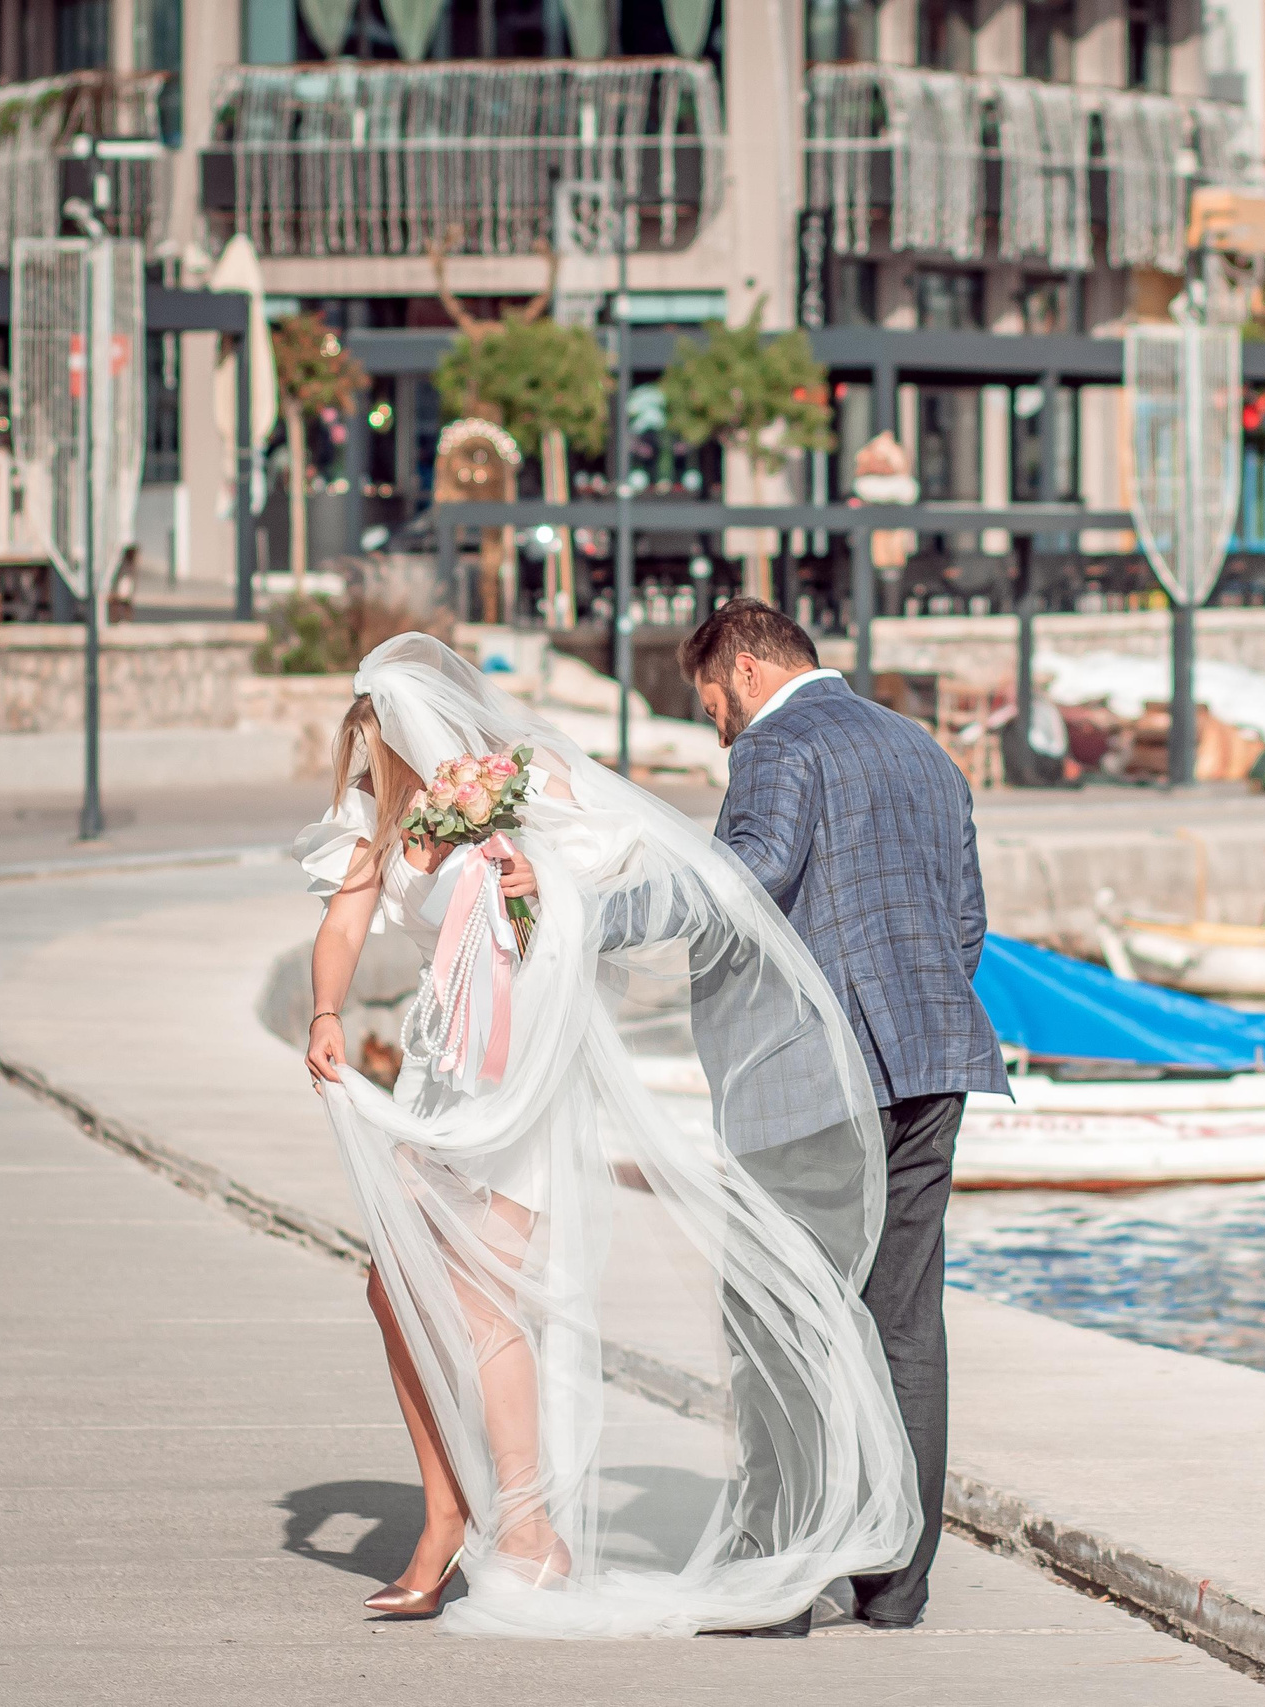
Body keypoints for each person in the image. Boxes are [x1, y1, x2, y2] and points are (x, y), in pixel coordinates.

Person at [295, 633, 916, 1637]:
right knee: (390, 1282)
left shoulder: (518, 789)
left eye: (381, 751)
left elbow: (608, 890)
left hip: (523, 1070)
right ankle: (454, 1506)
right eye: (364, 757)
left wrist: (534, 890)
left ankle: (527, 1529)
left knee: (481, 1293)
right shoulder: (377, 814)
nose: (372, 771)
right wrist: (326, 1015)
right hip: (441, 1068)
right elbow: (342, 924)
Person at [678, 598, 1005, 1636]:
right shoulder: (923, 752)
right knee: (904, 1326)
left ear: (740, 665)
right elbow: (965, 924)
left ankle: (778, 1584)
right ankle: (894, 1585)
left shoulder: (776, 745)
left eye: (709, 705)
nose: (715, 727)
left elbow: (752, 877)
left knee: (784, 1321)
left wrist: (619, 908)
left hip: (817, 1088)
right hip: (932, 1067)